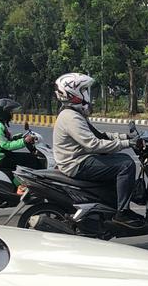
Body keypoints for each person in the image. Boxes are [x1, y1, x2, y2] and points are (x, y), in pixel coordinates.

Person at [51, 73, 142, 227]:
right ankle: (122, 213)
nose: (88, 95)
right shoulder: (71, 117)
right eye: (84, 90)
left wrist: (125, 136)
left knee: (118, 159)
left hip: (78, 159)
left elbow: (100, 135)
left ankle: (112, 205)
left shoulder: (74, 114)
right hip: (76, 163)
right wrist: (127, 143)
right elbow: (94, 144)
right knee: (126, 164)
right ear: (73, 93)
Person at [0, 98, 44, 183]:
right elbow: (6, 145)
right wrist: (24, 141)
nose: (12, 113)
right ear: (4, 113)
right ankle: (22, 185)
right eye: (10, 111)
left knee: (28, 159)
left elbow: (5, 139)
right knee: (32, 160)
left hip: (0, 155)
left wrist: (20, 137)